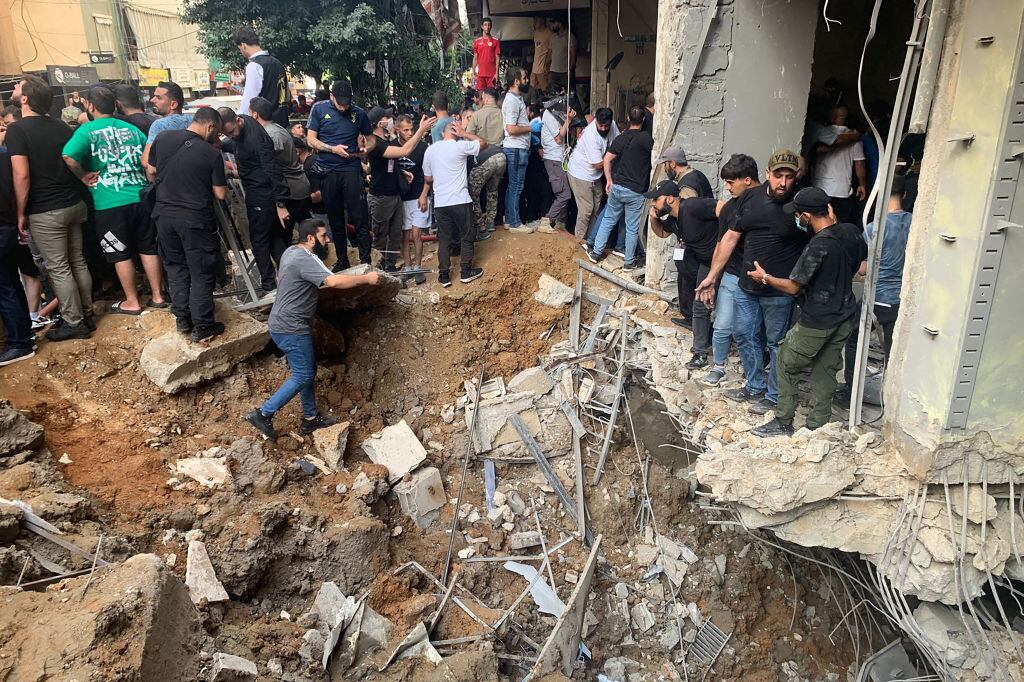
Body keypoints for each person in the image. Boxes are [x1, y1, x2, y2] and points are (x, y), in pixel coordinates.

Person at [245, 218, 380, 439]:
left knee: (307, 371)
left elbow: (282, 278)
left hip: (285, 323)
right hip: (291, 326)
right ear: (310, 238)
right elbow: (333, 282)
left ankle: (310, 418)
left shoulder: (291, 251)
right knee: (303, 373)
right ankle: (263, 413)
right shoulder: (306, 257)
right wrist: (366, 278)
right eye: (323, 236)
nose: (327, 240)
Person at [697, 150, 808, 416]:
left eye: (789, 177)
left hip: (778, 291)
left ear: (796, 178)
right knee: (744, 334)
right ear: (767, 174)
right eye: (778, 175)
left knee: (775, 342)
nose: (782, 182)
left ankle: (772, 395)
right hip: (747, 287)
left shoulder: (802, 203)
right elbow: (730, 239)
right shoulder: (749, 198)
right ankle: (755, 384)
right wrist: (712, 277)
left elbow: (822, 235)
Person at [750, 187, 868, 436]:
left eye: (799, 215)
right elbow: (861, 266)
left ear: (806, 216)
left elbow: (793, 287)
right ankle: (818, 424)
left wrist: (765, 277)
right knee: (826, 369)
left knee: (785, 360)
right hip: (845, 314)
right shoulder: (852, 232)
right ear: (829, 208)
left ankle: (783, 421)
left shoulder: (818, 246)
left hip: (818, 319)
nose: (798, 219)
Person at [62, 85, 165, 316]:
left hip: (109, 201)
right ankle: (158, 296)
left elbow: (68, 155)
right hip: (139, 196)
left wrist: (83, 175)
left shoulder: (86, 131)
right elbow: (145, 160)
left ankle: (132, 301)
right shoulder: (131, 129)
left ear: (90, 105)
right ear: (115, 105)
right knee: (148, 247)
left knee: (120, 252)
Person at [7, 75, 94, 342]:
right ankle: (87, 314)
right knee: (77, 261)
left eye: (17, 86)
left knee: (58, 268)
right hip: (72, 204)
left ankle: (73, 322)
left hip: (45, 210)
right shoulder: (60, 127)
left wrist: (20, 212)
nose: (13, 88)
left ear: (25, 99)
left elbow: (21, 175)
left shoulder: (17, 130)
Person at [149, 107, 227, 341]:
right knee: (201, 271)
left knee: (176, 267)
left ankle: (183, 318)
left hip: (163, 216)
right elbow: (220, 194)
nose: (218, 138)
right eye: (218, 132)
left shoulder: (163, 138)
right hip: (195, 220)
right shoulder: (210, 154)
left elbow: (151, 169)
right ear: (210, 126)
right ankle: (203, 324)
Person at [840, 175, 912, 397]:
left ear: (879, 196)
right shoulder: (914, 222)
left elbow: (863, 269)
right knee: (893, 350)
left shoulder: (874, 227)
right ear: (905, 196)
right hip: (899, 300)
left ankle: (851, 392)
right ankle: (892, 397)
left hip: (875, 297)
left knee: (853, 340)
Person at [701, 154, 760, 386]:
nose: (726, 188)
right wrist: (712, 279)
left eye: (730, 182)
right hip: (733, 275)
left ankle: (753, 374)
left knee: (752, 331)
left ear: (746, 180)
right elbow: (721, 244)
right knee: (723, 324)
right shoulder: (729, 209)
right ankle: (718, 366)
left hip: (759, 279)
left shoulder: (767, 203)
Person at [218, 107, 291, 292]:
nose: (231, 136)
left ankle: (268, 284)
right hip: (258, 189)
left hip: (262, 193)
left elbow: (272, 169)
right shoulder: (242, 127)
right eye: (227, 133)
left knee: (259, 241)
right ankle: (289, 277)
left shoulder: (256, 139)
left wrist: (280, 203)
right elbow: (231, 143)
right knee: (274, 237)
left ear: (238, 120)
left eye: (232, 131)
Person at [306, 79, 373, 270]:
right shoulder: (319, 109)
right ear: (331, 97)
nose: (344, 107)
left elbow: (371, 141)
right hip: (329, 170)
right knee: (335, 218)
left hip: (351, 169)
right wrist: (332, 149)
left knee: (360, 217)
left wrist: (364, 149)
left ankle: (366, 260)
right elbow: (311, 140)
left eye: (347, 103)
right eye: (340, 103)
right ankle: (342, 259)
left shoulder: (358, 113)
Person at [364, 107, 435, 271]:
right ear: (380, 123)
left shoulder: (387, 141)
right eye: (387, 118)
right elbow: (404, 151)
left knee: (397, 235)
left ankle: (390, 268)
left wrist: (401, 173)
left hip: (396, 195)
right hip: (382, 197)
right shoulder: (376, 143)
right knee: (380, 237)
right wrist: (421, 130)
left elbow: (389, 165)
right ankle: (376, 270)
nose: (390, 119)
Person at [420, 117, 487, 287]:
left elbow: (428, 178)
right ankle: (465, 272)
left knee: (444, 239)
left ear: (442, 133)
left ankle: (444, 276)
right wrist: (465, 133)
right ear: (455, 131)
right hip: (460, 199)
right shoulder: (460, 146)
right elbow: (483, 143)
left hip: (440, 202)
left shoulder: (430, 150)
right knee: (467, 235)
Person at [587, 105, 653, 270]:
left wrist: (609, 180)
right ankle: (628, 262)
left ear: (628, 119)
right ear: (643, 120)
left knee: (608, 220)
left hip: (618, 187)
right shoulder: (647, 140)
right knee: (632, 228)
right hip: (636, 191)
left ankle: (595, 253)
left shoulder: (621, 138)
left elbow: (607, 159)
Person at [657, 145, 713, 328]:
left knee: (691, 279)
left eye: (665, 164)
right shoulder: (696, 175)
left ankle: (693, 320)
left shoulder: (687, 185)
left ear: (672, 163)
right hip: (699, 241)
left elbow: (687, 213)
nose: (665, 168)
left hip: (695, 245)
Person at [249, 96, 312, 234]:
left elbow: (269, 165)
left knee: (286, 235)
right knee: (305, 229)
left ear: (255, 114)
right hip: (297, 187)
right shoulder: (277, 128)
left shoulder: (270, 134)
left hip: (291, 190)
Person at [0, 108, 33, 365]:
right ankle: (24, 335)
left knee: (5, 287)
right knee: (12, 282)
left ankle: (19, 342)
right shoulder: (5, 156)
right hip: (9, 225)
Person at [567, 108, 617, 242]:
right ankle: (577, 242)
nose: (603, 128)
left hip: (595, 176)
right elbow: (598, 164)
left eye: (606, 125)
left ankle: (589, 241)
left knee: (596, 209)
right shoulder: (590, 135)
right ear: (596, 121)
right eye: (600, 125)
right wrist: (611, 158)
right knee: (586, 210)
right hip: (581, 174)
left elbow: (617, 143)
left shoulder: (612, 125)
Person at [811, 105, 866, 224]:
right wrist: (862, 184)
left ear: (831, 118)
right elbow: (859, 164)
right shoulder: (854, 137)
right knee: (840, 225)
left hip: (820, 188)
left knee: (818, 224)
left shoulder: (820, 133)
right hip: (841, 191)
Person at [465, 88, 507, 237]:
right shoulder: (503, 114)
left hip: (484, 158)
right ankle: (490, 222)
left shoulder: (478, 115)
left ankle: (480, 226)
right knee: (492, 191)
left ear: (486, 98)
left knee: (472, 191)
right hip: (501, 157)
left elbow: (468, 136)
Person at [394, 114, 429, 284]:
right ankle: (408, 266)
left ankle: (418, 267)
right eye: (405, 130)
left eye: (411, 129)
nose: (409, 133)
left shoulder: (422, 147)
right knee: (405, 235)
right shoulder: (392, 147)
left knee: (417, 234)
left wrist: (424, 195)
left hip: (419, 196)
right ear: (397, 130)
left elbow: (428, 175)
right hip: (401, 198)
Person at [234, 26, 290, 128]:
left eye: (239, 49)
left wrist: (241, 120)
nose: (240, 52)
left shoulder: (254, 66)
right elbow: (287, 95)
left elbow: (249, 101)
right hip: (283, 124)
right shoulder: (278, 63)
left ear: (243, 45)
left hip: (265, 127)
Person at [501, 68, 533, 234]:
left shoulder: (516, 99)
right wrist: (530, 128)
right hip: (516, 148)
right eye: (524, 77)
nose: (527, 80)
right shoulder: (512, 101)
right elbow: (511, 129)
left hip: (517, 148)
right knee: (516, 186)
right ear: (516, 81)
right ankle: (514, 223)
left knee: (513, 185)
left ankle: (509, 218)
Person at [538, 100, 575, 234]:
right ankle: (547, 221)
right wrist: (569, 120)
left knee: (563, 191)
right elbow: (559, 138)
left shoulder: (554, 114)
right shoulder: (549, 115)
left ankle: (560, 223)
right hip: (554, 159)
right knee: (564, 194)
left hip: (559, 158)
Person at [143, 81, 191, 173]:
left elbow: (146, 162)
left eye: (158, 98)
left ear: (173, 104)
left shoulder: (159, 125)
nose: (152, 100)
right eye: (154, 96)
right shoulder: (193, 121)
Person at [548, 15, 577, 93]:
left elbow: (573, 54)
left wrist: (571, 69)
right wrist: (547, 66)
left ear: (559, 24)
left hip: (565, 72)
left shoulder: (570, 37)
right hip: (553, 71)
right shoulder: (553, 37)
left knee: (567, 93)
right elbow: (550, 53)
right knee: (552, 94)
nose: (553, 25)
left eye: (554, 23)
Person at [472, 18, 501, 91]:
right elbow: (475, 57)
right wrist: (473, 71)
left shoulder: (496, 41)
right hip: (481, 74)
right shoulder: (477, 42)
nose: (487, 27)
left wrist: (497, 73)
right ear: (482, 26)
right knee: (481, 96)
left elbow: (497, 58)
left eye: (489, 25)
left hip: (492, 74)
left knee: (492, 96)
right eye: (485, 25)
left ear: (491, 26)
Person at [531, 16, 553, 92]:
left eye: (536, 20)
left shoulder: (549, 33)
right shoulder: (535, 32)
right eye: (534, 20)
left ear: (542, 21)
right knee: (532, 88)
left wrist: (547, 64)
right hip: (535, 67)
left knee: (545, 90)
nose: (534, 23)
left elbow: (551, 51)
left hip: (543, 67)